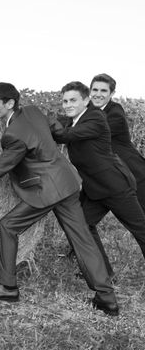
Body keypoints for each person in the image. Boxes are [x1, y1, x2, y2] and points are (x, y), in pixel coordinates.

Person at [0, 82, 118, 316]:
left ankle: (6, 286)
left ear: (9, 104)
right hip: (67, 183)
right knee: (82, 239)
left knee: (8, 226)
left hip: (46, 189)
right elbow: (57, 133)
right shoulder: (34, 111)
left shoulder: (13, 134)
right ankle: (107, 298)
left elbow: (1, 168)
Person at [51, 81, 145, 278]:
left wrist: (47, 128)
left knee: (141, 230)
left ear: (86, 100)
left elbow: (65, 135)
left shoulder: (95, 117)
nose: (68, 105)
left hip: (116, 186)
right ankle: (103, 273)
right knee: (83, 226)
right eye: (65, 101)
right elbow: (53, 123)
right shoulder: (73, 119)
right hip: (96, 189)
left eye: (73, 100)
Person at [89, 73, 145, 210]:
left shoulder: (115, 112)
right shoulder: (86, 110)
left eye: (103, 90)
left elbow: (96, 131)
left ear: (112, 93)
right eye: (95, 90)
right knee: (85, 221)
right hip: (106, 180)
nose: (98, 94)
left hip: (135, 175)